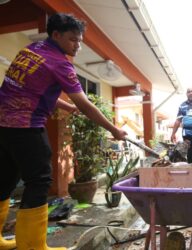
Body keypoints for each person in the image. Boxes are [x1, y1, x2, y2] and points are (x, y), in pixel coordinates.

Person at [0, 13, 127, 250]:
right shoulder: (60, 63)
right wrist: (114, 129)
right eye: (72, 40)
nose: (77, 45)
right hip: (26, 127)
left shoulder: (31, 49)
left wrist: (64, 105)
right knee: (39, 182)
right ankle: (32, 246)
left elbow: (31, 90)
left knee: (4, 180)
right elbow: (85, 104)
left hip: (3, 126)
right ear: (56, 35)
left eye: (79, 40)